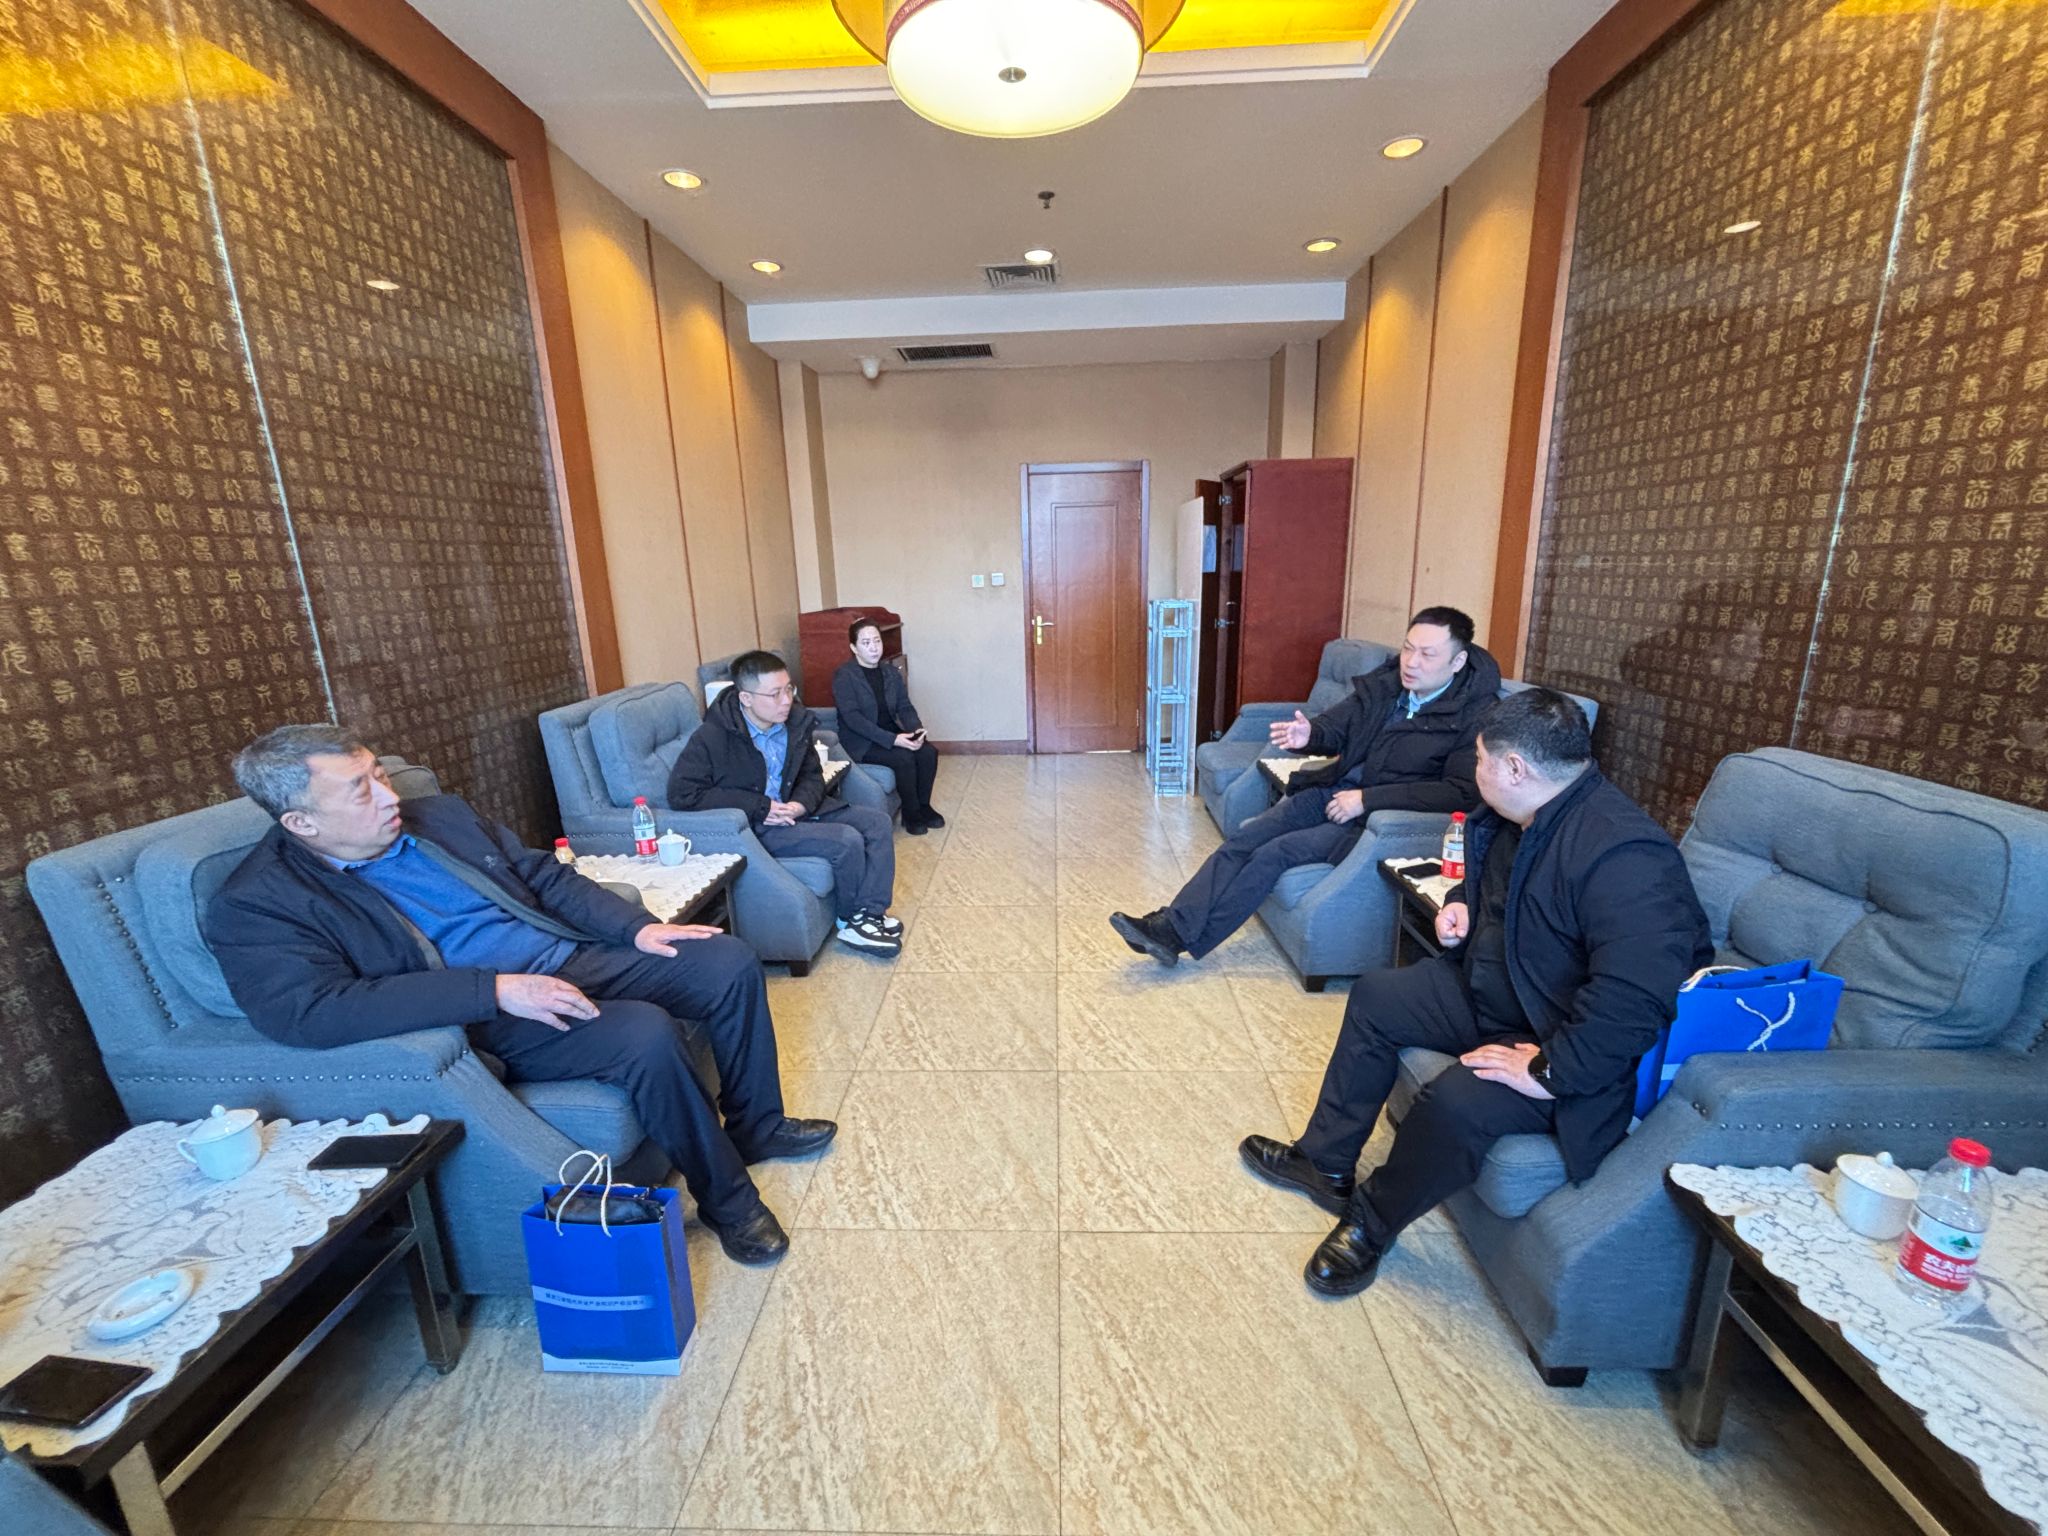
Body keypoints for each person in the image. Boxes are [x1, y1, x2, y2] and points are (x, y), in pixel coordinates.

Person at [204, 725, 836, 1267]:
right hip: (490, 1012)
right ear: (302, 822)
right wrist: (495, 991)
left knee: (726, 960)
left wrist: (635, 928)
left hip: (567, 955)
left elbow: (541, 875)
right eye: (361, 790)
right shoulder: (259, 902)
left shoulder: (440, 817)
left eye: (380, 775)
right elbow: (310, 1012)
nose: (389, 797)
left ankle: (758, 1127)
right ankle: (729, 1203)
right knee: (645, 1034)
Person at [1237, 688, 1712, 1296]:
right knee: (1378, 997)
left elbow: (1636, 996)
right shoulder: (1520, 812)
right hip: (1500, 988)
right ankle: (1323, 1162)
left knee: (1457, 1102)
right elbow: (1489, 878)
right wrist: (1460, 905)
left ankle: (1370, 1225)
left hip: (1561, 1037)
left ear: (1515, 768)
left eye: (1481, 759)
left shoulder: (1626, 854)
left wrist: (1550, 1070)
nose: (1474, 769)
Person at [1110, 606, 1501, 967]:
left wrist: (1368, 800)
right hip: (1333, 792)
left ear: (1457, 661)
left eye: (1428, 654)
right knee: (1244, 839)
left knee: (1272, 854)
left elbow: (1460, 791)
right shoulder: (1387, 686)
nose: (1412, 662)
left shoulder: (1475, 716)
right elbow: (1336, 725)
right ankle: (1171, 926)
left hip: (1372, 821)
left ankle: (1180, 938)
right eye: (1408, 648)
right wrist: (1310, 733)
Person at [669, 650, 904, 955]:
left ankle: (869, 914)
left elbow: (811, 775)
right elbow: (683, 794)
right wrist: (760, 807)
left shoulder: (795, 723)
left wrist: (801, 804)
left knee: (877, 822)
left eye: (789, 689)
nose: (786, 701)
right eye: (774, 694)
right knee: (846, 840)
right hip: (757, 824)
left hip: (795, 811)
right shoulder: (713, 736)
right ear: (746, 698)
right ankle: (851, 921)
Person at [832, 618, 944, 834]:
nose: (874, 648)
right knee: (903, 757)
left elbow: (904, 706)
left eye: (877, 641)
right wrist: (893, 740)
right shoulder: (844, 675)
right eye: (866, 643)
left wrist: (916, 731)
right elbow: (853, 719)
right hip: (862, 741)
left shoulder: (890, 672)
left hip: (890, 732)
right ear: (854, 648)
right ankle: (911, 814)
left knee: (927, 752)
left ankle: (924, 806)